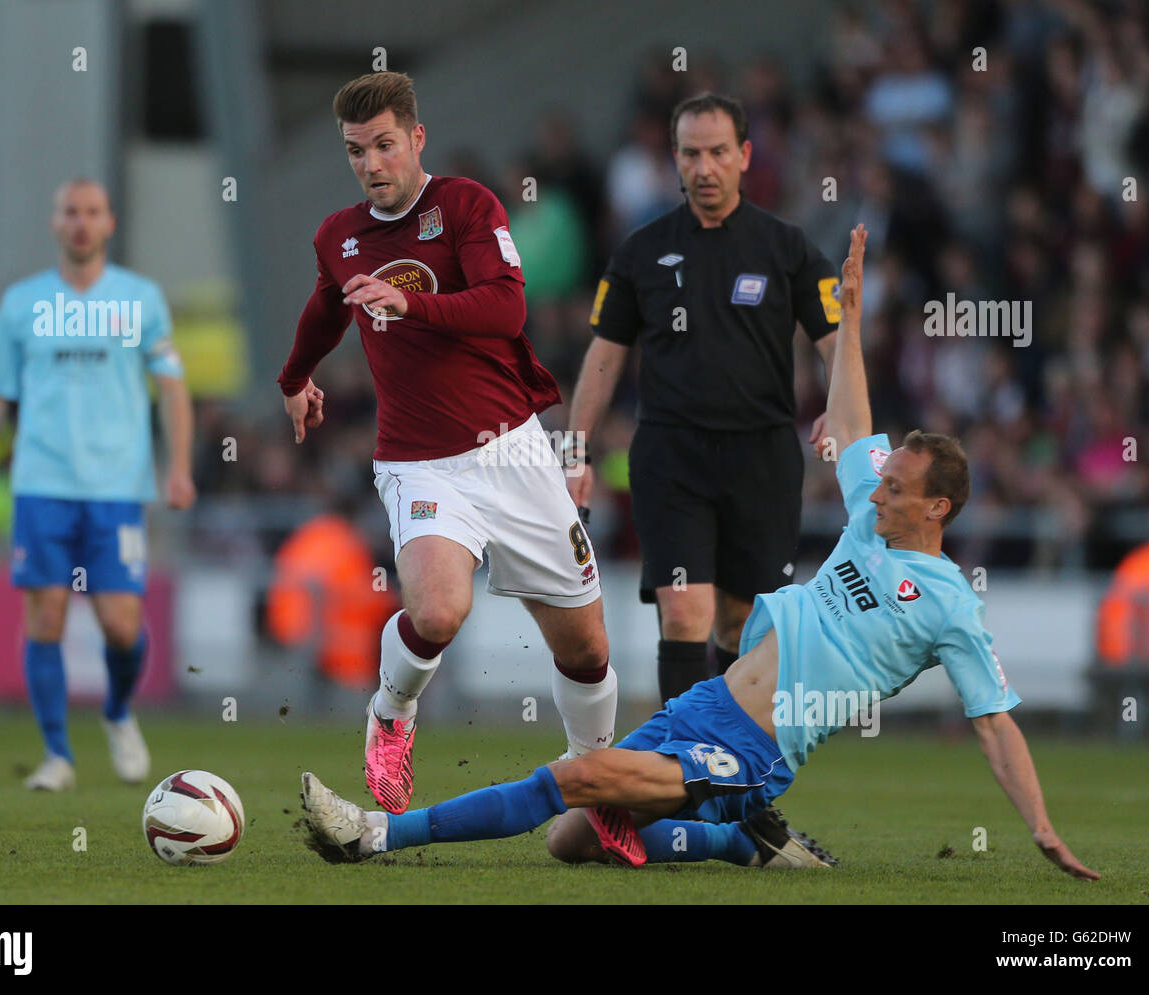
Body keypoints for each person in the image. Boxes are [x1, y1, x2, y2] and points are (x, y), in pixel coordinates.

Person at [299, 225, 1099, 881]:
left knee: (574, 778)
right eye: (881, 480)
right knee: (569, 840)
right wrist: (848, 319)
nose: (875, 488)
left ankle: (375, 833)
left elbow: (994, 723)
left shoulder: (952, 604)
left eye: (896, 487)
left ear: (938, 508)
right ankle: (740, 841)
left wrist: (1042, 826)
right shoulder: (868, 518)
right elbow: (852, 424)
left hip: (751, 748)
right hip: (704, 706)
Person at [277, 73, 614, 816]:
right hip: (418, 459)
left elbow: (506, 306)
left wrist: (412, 302)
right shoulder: (340, 234)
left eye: (384, 145)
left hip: (514, 450)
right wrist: (295, 375)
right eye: (356, 150)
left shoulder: (465, 205)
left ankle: (596, 783)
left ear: (416, 139)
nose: (371, 163)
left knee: (586, 647)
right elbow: (326, 306)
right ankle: (391, 714)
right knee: (435, 612)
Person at [566, 92, 841, 703]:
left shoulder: (785, 248)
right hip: (671, 453)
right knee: (684, 610)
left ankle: (732, 786)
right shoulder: (642, 250)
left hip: (763, 456)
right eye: (691, 154)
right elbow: (605, 354)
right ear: (675, 159)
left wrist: (839, 404)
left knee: (740, 623)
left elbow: (836, 342)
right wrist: (574, 451)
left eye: (718, 152)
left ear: (744, 155)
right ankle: (683, 781)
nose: (704, 168)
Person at [0, 179, 195, 790]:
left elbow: (173, 387)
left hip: (117, 486)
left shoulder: (140, 299)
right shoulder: (22, 303)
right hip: (42, 482)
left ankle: (119, 712)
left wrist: (177, 466)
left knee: (121, 624)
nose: (81, 223)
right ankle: (57, 756)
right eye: (71, 212)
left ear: (110, 224)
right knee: (45, 615)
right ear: (55, 224)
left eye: (92, 212)